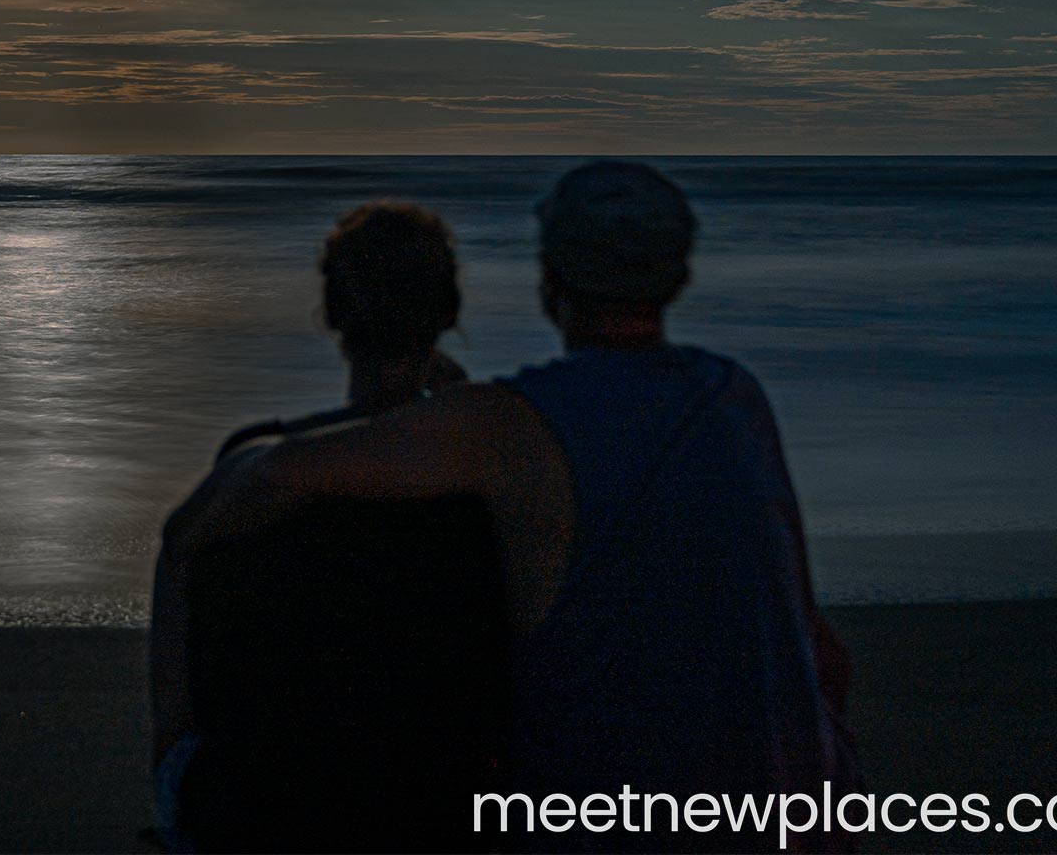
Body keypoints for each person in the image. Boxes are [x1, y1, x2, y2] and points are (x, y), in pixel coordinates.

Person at [158, 162, 857, 853]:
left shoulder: (510, 429)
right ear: (676, 277)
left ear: (552, 282)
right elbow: (821, 649)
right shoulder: (735, 397)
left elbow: (277, 474)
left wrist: (214, 499)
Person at [149, 202, 505, 852]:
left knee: (182, 559)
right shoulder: (485, 482)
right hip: (434, 809)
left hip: (262, 810)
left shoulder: (256, 469)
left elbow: (181, 543)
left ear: (334, 318)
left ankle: (174, 779)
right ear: (448, 316)